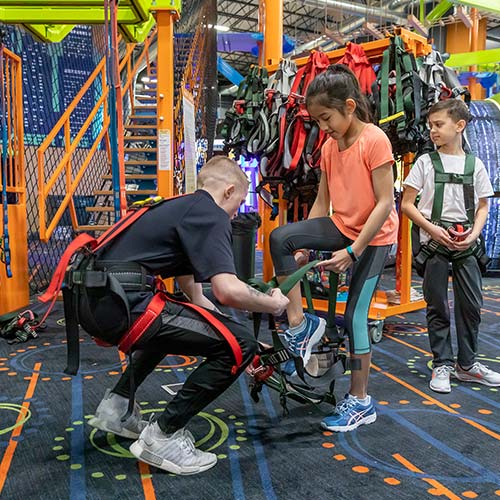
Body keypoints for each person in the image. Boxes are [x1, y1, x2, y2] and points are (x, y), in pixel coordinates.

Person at [88, 156, 289, 475]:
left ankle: (116, 408)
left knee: (181, 324)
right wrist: (274, 304)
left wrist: (235, 335)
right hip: (123, 301)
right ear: (229, 191)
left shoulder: (181, 208)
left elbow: (198, 303)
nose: (235, 214)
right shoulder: (210, 214)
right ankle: (162, 435)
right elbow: (226, 291)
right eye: (237, 205)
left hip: (97, 300)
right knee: (239, 345)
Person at [270, 64, 398, 432]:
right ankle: (299, 325)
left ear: (349, 106)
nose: (322, 127)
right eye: (317, 120)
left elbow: (385, 203)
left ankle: (360, 401)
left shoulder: (375, 140)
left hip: (373, 237)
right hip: (342, 225)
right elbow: (322, 202)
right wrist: (306, 246)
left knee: (355, 318)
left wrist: (354, 251)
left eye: (326, 118)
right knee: (281, 237)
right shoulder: (328, 146)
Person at [402, 98, 500, 393]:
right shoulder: (424, 163)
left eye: (439, 125)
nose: (432, 131)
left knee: (471, 306)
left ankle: (467, 365)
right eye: (431, 125)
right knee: (437, 307)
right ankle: (442, 363)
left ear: (460, 126)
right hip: (434, 244)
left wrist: (473, 235)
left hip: (466, 245)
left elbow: (484, 206)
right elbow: (407, 204)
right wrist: (432, 230)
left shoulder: (475, 164)